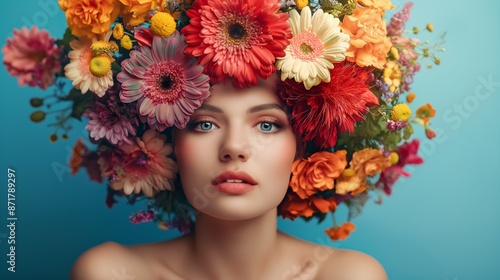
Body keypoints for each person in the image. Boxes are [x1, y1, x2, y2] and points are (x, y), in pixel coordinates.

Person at [70, 75, 387, 280]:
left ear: (303, 148)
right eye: (204, 124)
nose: (234, 148)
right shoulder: (111, 273)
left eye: (266, 125)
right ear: (166, 146)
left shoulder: (349, 275)